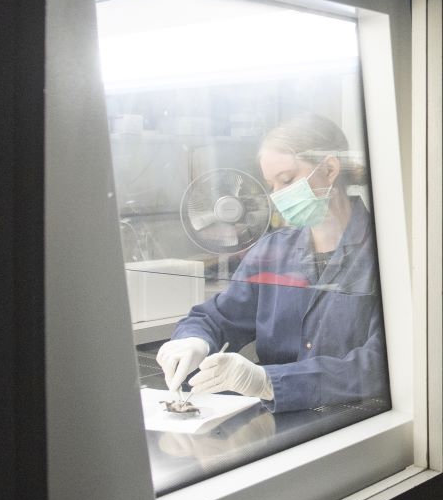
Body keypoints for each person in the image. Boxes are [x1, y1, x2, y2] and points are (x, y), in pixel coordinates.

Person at [156, 113, 389, 414]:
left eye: (287, 180)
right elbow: (216, 318)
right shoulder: (273, 252)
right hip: (275, 430)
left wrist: (268, 381)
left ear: (330, 169)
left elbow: (380, 365)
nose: (277, 195)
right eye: (272, 184)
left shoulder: (384, 254)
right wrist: (192, 342)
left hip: (358, 426)